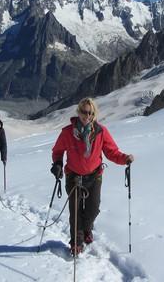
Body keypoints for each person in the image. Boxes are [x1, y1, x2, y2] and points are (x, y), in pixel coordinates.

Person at [51, 97, 134, 255]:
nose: (86, 115)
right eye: (83, 111)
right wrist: (57, 164)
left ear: (94, 113)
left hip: (94, 176)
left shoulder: (101, 132)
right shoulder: (68, 132)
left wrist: (124, 158)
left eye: (90, 112)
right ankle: (77, 241)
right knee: (75, 211)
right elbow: (57, 151)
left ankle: (87, 229)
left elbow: (111, 151)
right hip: (73, 176)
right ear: (78, 111)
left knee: (93, 209)